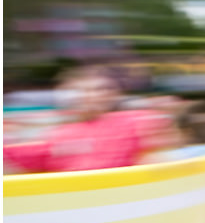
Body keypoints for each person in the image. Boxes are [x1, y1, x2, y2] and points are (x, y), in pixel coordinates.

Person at [3, 66, 182, 173]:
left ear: (112, 94)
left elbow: (165, 153)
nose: (92, 95)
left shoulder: (136, 121)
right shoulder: (55, 135)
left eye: (101, 89)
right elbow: (16, 163)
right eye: (83, 90)